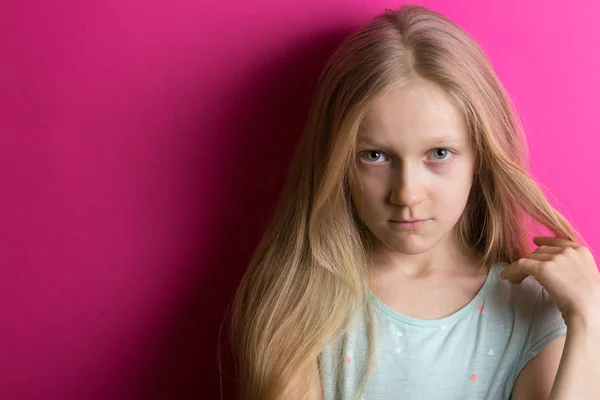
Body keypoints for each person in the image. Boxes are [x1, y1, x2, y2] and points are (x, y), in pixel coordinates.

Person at [222, 4, 600, 400]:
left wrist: (588, 317)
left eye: (439, 154)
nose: (406, 194)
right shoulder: (300, 301)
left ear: (481, 158)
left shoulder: (530, 310)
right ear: (335, 160)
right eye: (375, 156)